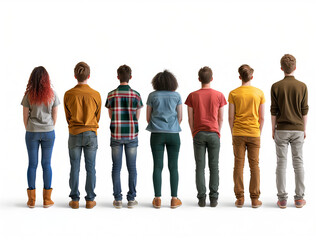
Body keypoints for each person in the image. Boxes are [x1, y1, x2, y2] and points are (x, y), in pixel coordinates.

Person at [185, 66, 226, 207]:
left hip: (198, 134)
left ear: (199, 79)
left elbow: (190, 118)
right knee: (214, 167)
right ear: (212, 79)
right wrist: (217, 131)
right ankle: (214, 198)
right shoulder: (219, 95)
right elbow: (221, 118)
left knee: (200, 167)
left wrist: (193, 132)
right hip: (214, 133)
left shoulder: (192, 96)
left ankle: (201, 198)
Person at [271, 54, 308, 209]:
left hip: (282, 130)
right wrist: (304, 129)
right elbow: (304, 110)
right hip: (298, 129)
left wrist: (273, 129)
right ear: (295, 67)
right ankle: (299, 199)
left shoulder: (276, 86)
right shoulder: (302, 86)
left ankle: (282, 199)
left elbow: (274, 111)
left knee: (281, 163)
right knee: (298, 162)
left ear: (281, 68)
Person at [64, 62, 101, 209]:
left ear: (75, 76)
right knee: (91, 167)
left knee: (74, 167)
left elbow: (67, 117)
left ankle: (74, 200)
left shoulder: (68, 94)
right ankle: (90, 200)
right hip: (91, 133)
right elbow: (97, 117)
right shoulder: (96, 94)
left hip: (74, 133)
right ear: (89, 76)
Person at [21, 66, 60, 208]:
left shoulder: (28, 95)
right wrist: (49, 126)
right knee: (46, 164)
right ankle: (47, 200)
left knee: (32, 164)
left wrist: (30, 128)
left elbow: (25, 117)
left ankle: (31, 200)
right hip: (49, 132)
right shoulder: (53, 94)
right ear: (46, 79)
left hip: (31, 132)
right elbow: (55, 116)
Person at [105, 65, 143, 209]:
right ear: (130, 77)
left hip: (116, 134)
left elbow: (110, 115)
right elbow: (137, 116)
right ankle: (131, 199)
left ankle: (118, 199)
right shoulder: (136, 95)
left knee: (116, 167)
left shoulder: (111, 95)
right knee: (132, 167)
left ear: (117, 77)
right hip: (132, 134)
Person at [228, 64, 265, 208]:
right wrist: (258, 133)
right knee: (254, 165)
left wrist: (233, 132)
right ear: (252, 77)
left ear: (239, 77)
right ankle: (255, 199)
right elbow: (262, 118)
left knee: (238, 164)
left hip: (238, 133)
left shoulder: (233, 93)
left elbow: (231, 117)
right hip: (254, 133)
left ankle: (240, 198)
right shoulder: (259, 93)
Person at [146, 70, 182, 209]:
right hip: (173, 134)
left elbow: (147, 118)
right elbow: (180, 117)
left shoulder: (152, 95)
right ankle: (174, 199)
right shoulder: (176, 96)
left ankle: (157, 199)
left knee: (157, 166)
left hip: (156, 134)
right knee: (173, 167)